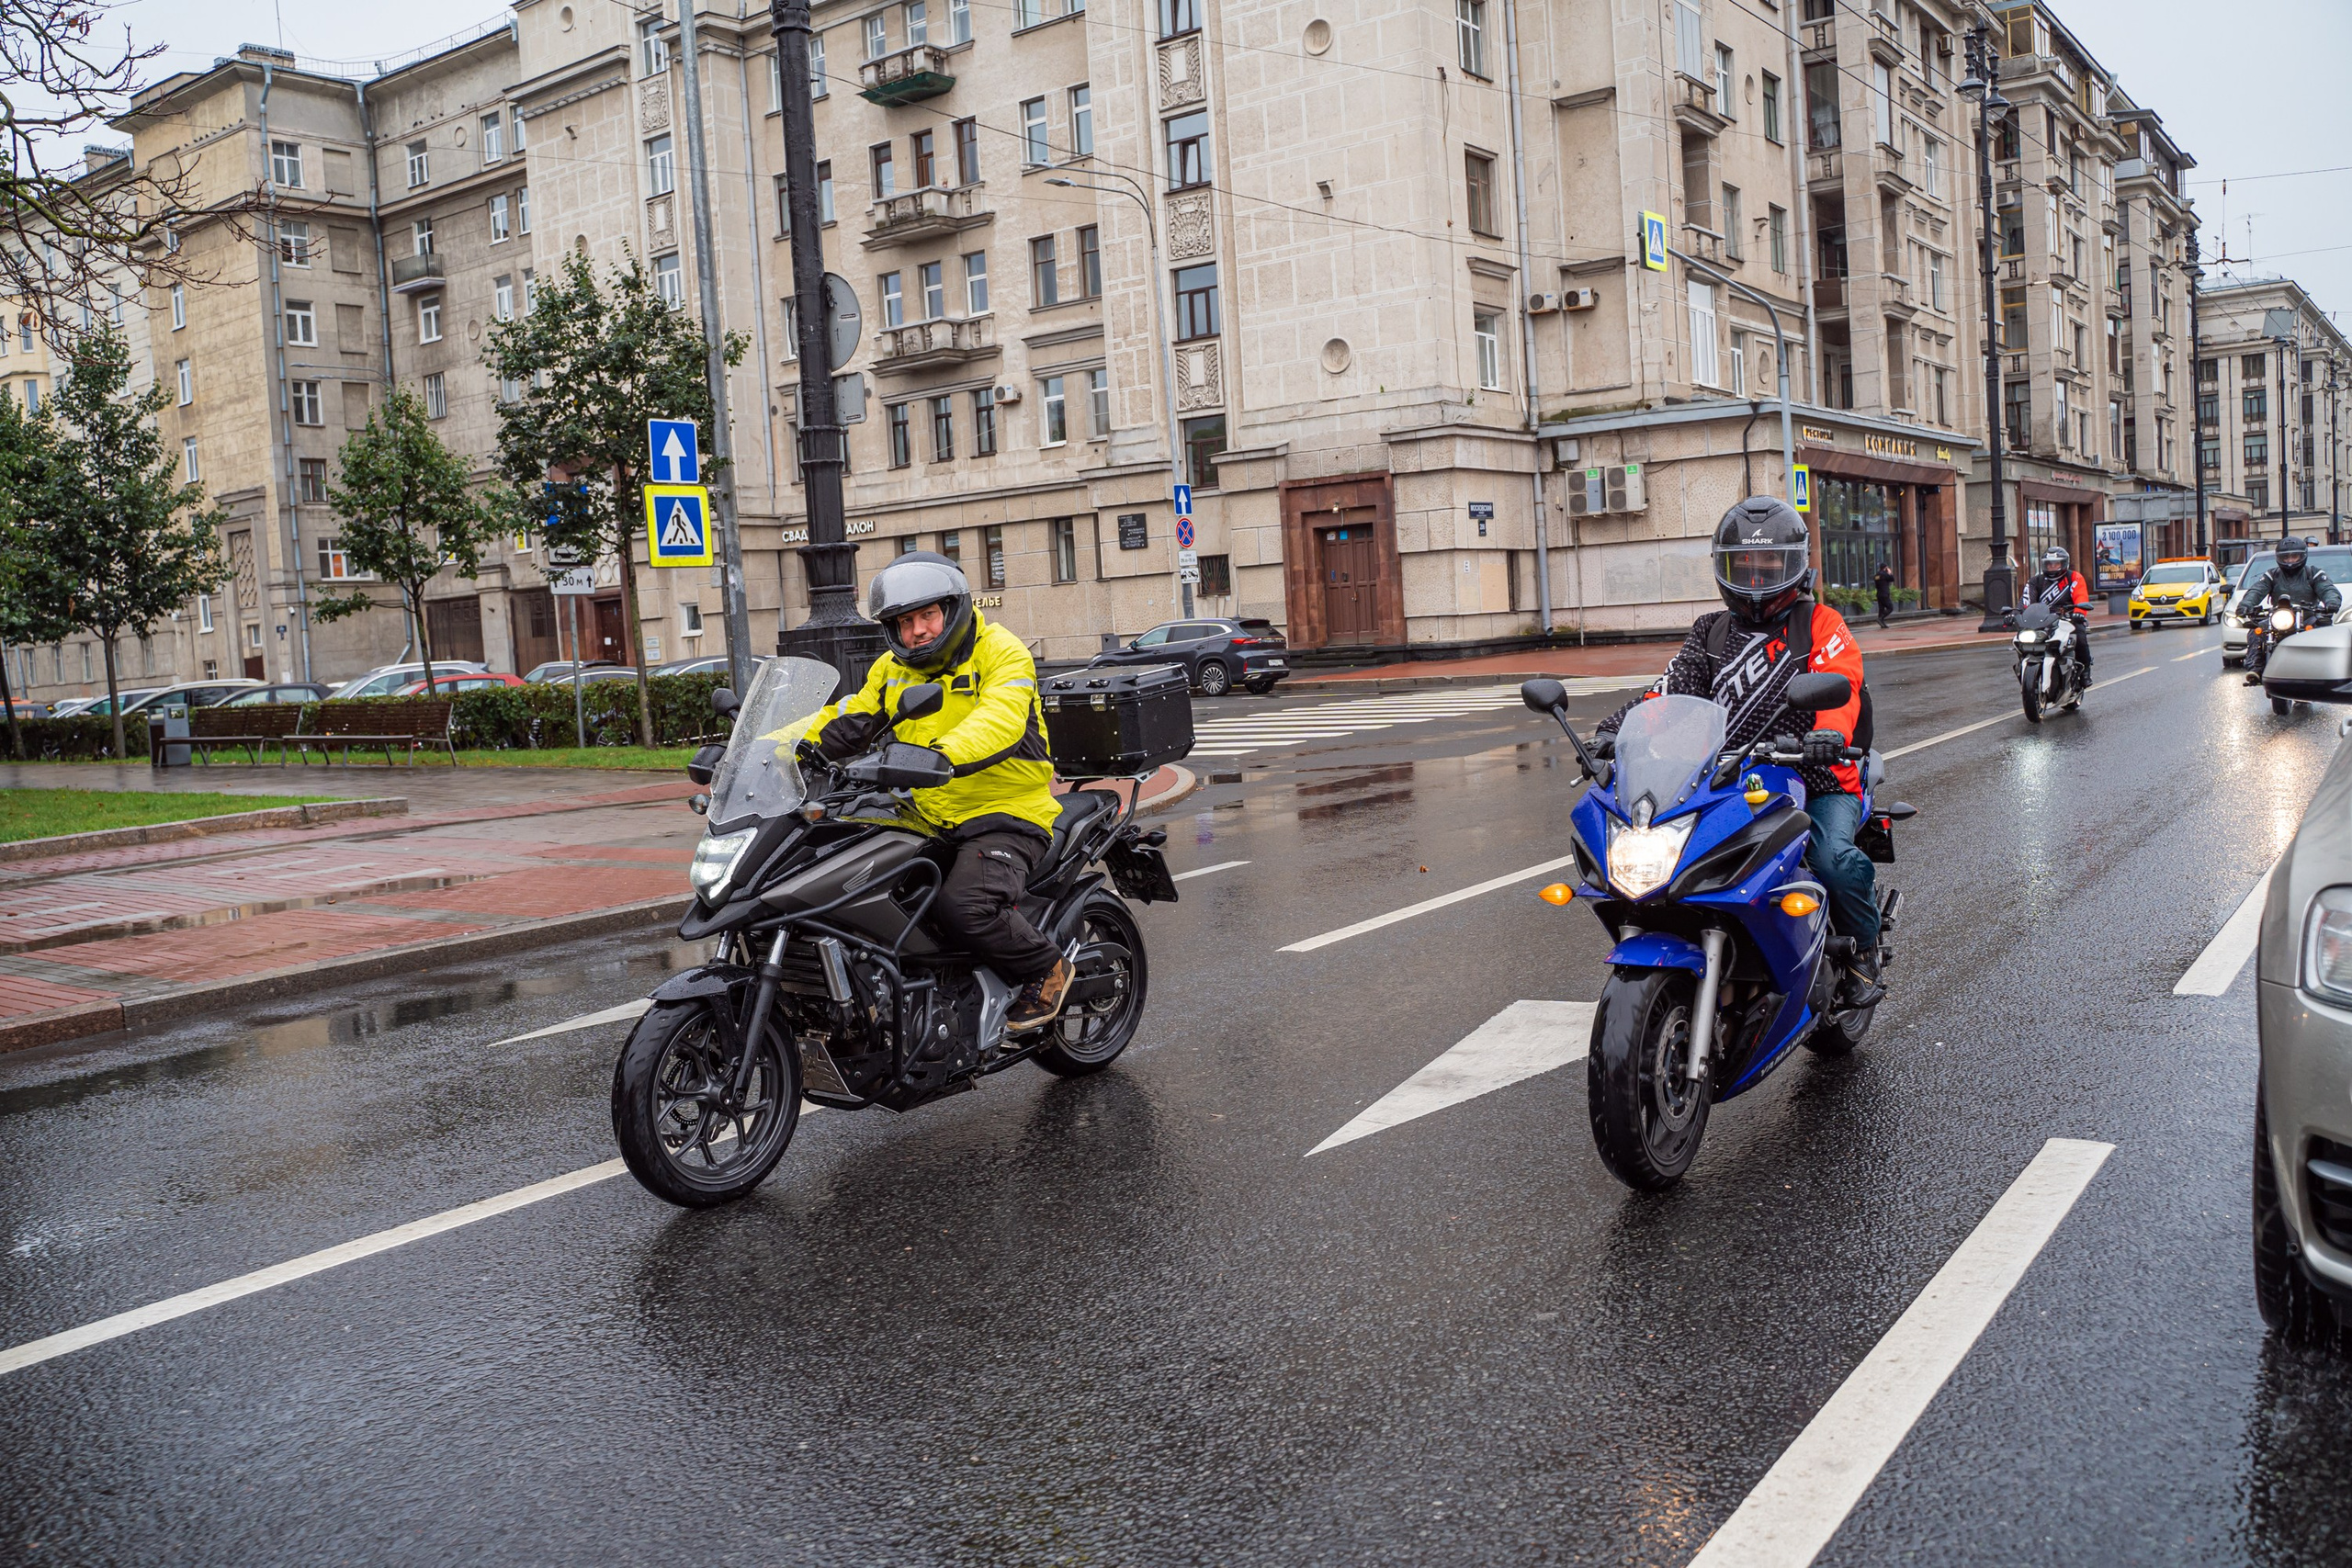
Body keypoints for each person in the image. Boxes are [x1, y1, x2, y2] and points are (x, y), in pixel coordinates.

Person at [1596, 496, 1883, 1001]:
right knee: (1683, 859)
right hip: (1728, 776)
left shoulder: (1820, 624)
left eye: (1769, 561)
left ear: (1794, 564)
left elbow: (1843, 681)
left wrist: (1830, 736)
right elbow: (1668, 693)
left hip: (1816, 776)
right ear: (1723, 566)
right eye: (1742, 563)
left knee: (1833, 859)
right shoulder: (1711, 631)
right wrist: (1615, 732)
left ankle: (1862, 952)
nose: (1755, 574)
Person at [800, 553, 1073, 1032]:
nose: (917, 632)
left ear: (953, 610)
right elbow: (850, 720)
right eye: (904, 623)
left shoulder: (1002, 652)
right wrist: (779, 749)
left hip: (1006, 812)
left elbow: (1000, 719)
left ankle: (1045, 967)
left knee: (965, 905)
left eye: (927, 616)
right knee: (848, 881)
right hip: (924, 810)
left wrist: (940, 755)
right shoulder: (891, 668)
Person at [2239, 536, 2341, 682]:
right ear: (2279, 558)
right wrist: (2245, 605)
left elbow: (2328, 589)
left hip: (2307, 616)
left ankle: (2328, 668)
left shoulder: (2313, 573)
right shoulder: (2271, 575)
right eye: (2286, 557)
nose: (2290, 560)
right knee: (2257, 631)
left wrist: (2332, 602)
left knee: (2323, 629)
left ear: (2303, 556)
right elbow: (2256, 590)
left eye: (2294, 556)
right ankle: (2256, 668)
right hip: (2279, 617)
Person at [2018, 546, 2093, 684]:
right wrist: (2016, 614)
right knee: (2021, 639)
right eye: (2049, 564)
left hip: (2068, 619)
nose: (2052, 567)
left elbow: (2081, 597)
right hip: (2042, 620)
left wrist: (2079, 613)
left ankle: (2085, 671)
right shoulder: (2035, 581)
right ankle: (2023, 667)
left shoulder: (2074, 577)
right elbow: (2026, 600)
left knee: (2080, 638)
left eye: (2056, 564)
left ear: (2064, 563)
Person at [1873, 562, 1895, 630]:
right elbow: (1892, 579)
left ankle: (1882, 624)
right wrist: (1889, 572)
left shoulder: (1876, 575)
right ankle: (1880, 618)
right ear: (1885, 568)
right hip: (1885, 594)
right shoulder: (1884, 574)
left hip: (1879, 594)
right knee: (1890, 607)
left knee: (1881, 609)